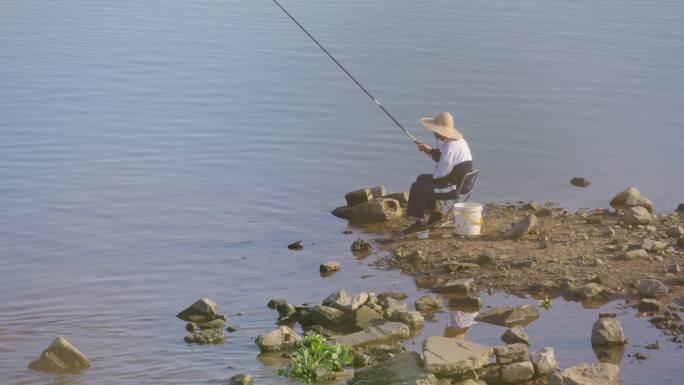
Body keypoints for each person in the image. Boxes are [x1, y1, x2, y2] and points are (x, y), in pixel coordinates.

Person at [403, 112, 474, 234]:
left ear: (440, 131)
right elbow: (445, 161)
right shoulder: (459, 142)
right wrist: (429, 150)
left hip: (456, 187)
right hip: (463, 182)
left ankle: (419, 223)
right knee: (422, 178)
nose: (433, 132)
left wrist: (429, 185)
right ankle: (435, 214)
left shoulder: (451, 146)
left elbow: (440, 175)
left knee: (417, 187)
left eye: (434, 130)